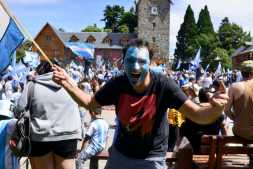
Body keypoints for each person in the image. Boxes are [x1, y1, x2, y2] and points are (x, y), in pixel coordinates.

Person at [52, 39, 228, 169]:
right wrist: (67, 83)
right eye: (130, 61)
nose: (135, 67)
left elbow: (198, 114)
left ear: (150, 63)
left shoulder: (164, 85)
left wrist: (217, 108)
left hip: (151, 159)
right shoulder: (118, 83)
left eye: (142, 62)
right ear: (123, 62)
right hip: (121, 155)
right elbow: (91, 103)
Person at [16, 60, 82, 169]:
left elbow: (19, 109)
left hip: (41, 136)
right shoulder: (71, 84)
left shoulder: (32, 85)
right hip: (68, 136)